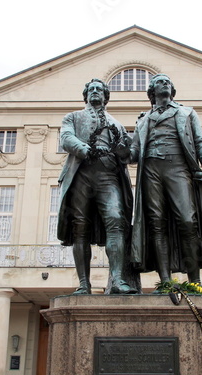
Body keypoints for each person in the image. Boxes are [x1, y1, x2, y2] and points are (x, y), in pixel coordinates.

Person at [130, 73, 202, 290]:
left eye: (167, 82)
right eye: (159, 82)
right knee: (156, 223)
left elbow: (201, 141)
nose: (164, 84)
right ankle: (165, 281)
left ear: (172, 90)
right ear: (152, 92)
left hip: (178, 167)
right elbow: (134, 153)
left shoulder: (186, 112)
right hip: (151, 170)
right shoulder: (143, 119)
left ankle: (195, 281)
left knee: (188, 221)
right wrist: (123, 151)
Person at [57, 78, 137, 295]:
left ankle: (118, 280)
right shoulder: (73, 117)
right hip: (81, 174)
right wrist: (84, 148)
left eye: (99, 90)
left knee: (116, 221)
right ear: (86, 96)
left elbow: (131, 155)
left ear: (105, 96)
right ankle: (84, 283)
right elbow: (66, 138)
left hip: (108, 177)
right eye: (91, 89)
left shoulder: (117, 125)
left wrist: (124, 151)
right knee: (79, 228)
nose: (94, 92)